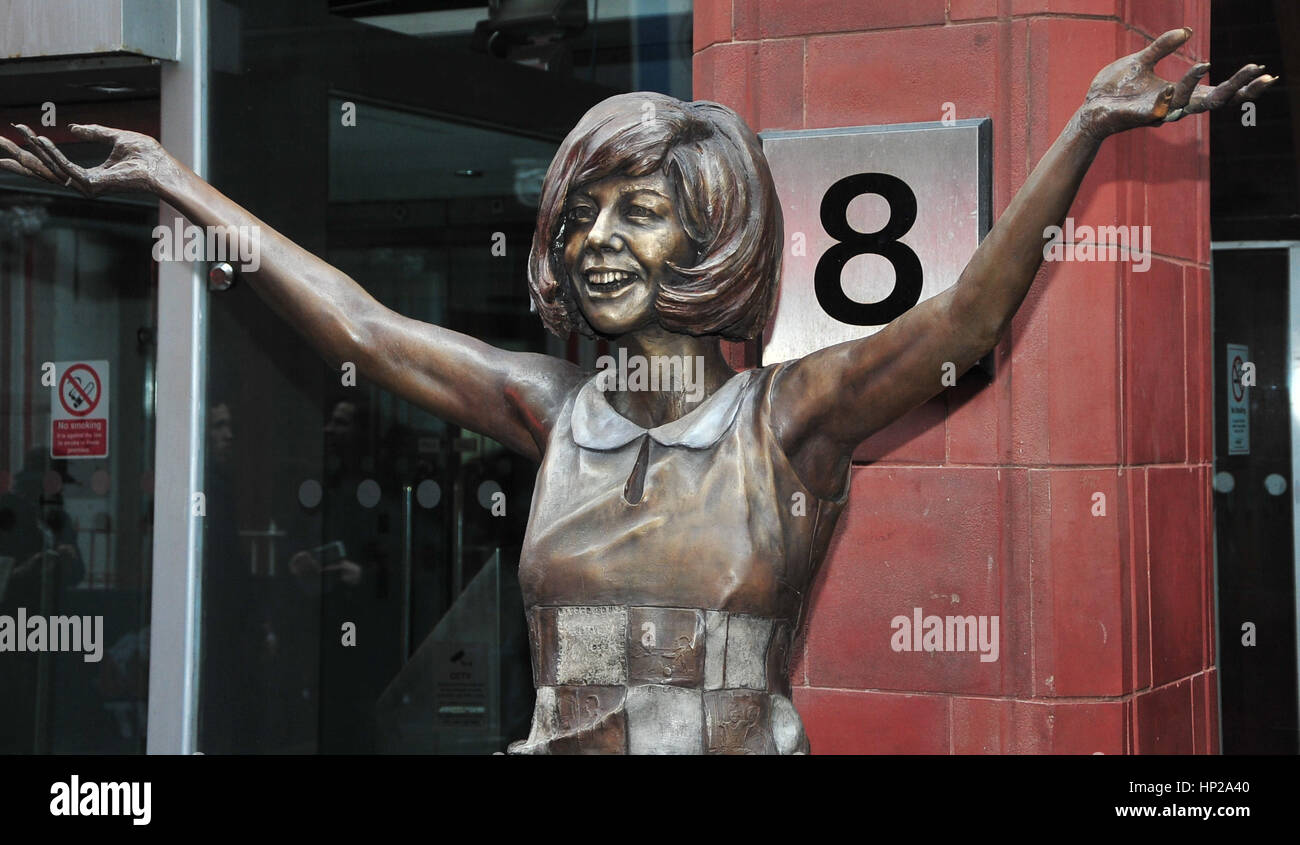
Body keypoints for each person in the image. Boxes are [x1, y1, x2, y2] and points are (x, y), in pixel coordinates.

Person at [0, 27, 1274, 754]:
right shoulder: (552, 412)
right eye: (583, 210)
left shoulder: (787, 423)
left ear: (712, 233)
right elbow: (363, 319)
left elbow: (965, 317)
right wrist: (176, 177)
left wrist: (1081, 132)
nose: (599, 236)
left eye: (643, 208)